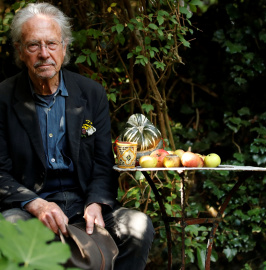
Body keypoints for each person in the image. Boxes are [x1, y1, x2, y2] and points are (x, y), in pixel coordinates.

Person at [0, 3, 154, 269]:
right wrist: (37, 205)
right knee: (10, 228)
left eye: (51, 43)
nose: (44, 54)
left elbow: (103, 161)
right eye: (33, 45)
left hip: (83, 201)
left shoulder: (91, 94)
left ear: (65, 46)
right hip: (28, 205)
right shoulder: (3, 97)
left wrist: (96, 202)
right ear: (20, 51)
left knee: (138, 226)